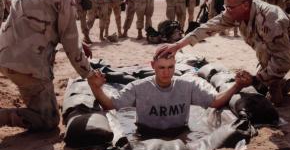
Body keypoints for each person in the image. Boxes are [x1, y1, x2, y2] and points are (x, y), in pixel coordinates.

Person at [156, 0, 290, 106]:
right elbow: (210, 26)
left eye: (230, 7)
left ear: (245, 4)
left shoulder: (270, 19)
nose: (226, 11)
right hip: (275, 50)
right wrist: (178, 45)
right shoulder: (237, 11)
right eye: (225, 6)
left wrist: (255, 79)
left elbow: (282, 61)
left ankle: (275, 83)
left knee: (261, 82)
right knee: (264, 88)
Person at [0, 0, 105, 131]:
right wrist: (90, 74)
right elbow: (72, 48)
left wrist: (75, 42)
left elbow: (39, 23)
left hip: (5, 55)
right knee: (49, 120)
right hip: (27, 67)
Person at [89, 46, 251, 133]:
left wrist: (237, 85)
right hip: (145, 134)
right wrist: (95, 87)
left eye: (170, 67)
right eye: (161, 67)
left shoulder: (187, 85)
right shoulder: (138, 87)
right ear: (152, 66)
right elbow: (110, 105)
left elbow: (215, 102)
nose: (166, 72)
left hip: (180, 133)